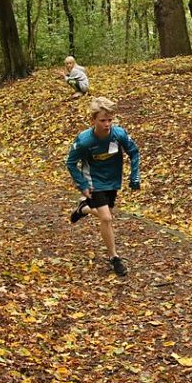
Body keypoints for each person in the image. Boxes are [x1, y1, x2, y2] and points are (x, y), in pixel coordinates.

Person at [66, 96, 141, 277]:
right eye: (102, 120)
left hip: (112, 180)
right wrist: (82, 185)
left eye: (109, 120)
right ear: (93, 120)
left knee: (106, 215)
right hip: (93, 181)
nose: (107, 124)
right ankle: (114, 257)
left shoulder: (119, 134)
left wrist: (134, 176)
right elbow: (71, 163)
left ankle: (83, 209)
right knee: (106, 218)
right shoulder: (84, 141)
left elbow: (134, 152)